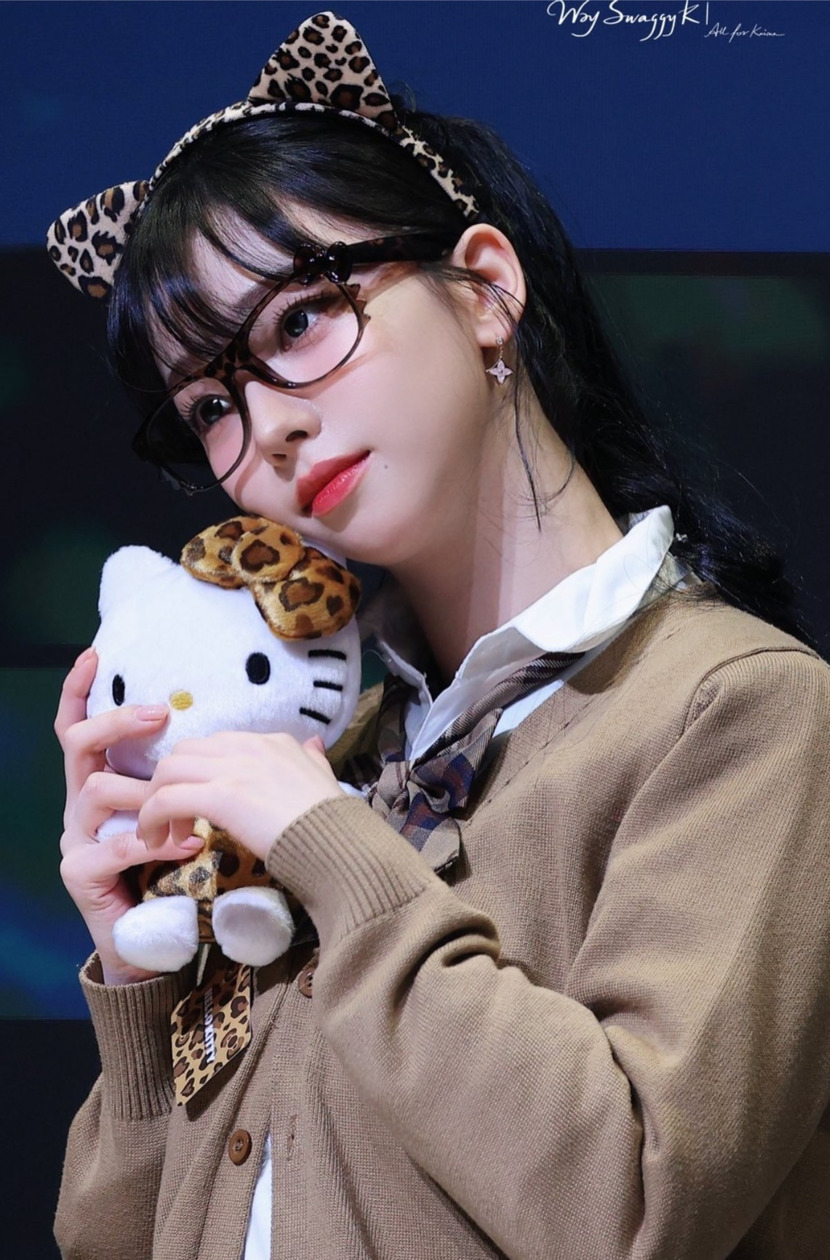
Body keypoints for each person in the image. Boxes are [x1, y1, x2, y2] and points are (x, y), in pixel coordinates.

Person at [48, 11, 830, 1260]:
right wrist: (139, 979)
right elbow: (115, 1241)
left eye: (300, 321)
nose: (266, 427)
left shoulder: (732, 708)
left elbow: (633, 1206)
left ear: (483, 287)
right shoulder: (328, 747)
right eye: (208, 404)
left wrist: (334, 854)